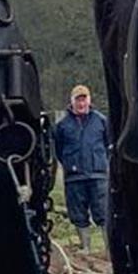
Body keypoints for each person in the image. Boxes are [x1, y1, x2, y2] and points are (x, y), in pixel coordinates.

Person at [51, 85, 110, 252]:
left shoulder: (101, 121)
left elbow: (108, 144)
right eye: (78, 99)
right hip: (74, 177)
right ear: (72, 102)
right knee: (78, 214)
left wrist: (101, 163)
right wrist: (70, 165)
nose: (81, 103)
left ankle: (108, 250)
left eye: (84, 99)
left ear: (89, 100)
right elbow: (59, 150)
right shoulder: (62, 126)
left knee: (103, 212)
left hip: (98, 176)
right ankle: (86, 248)